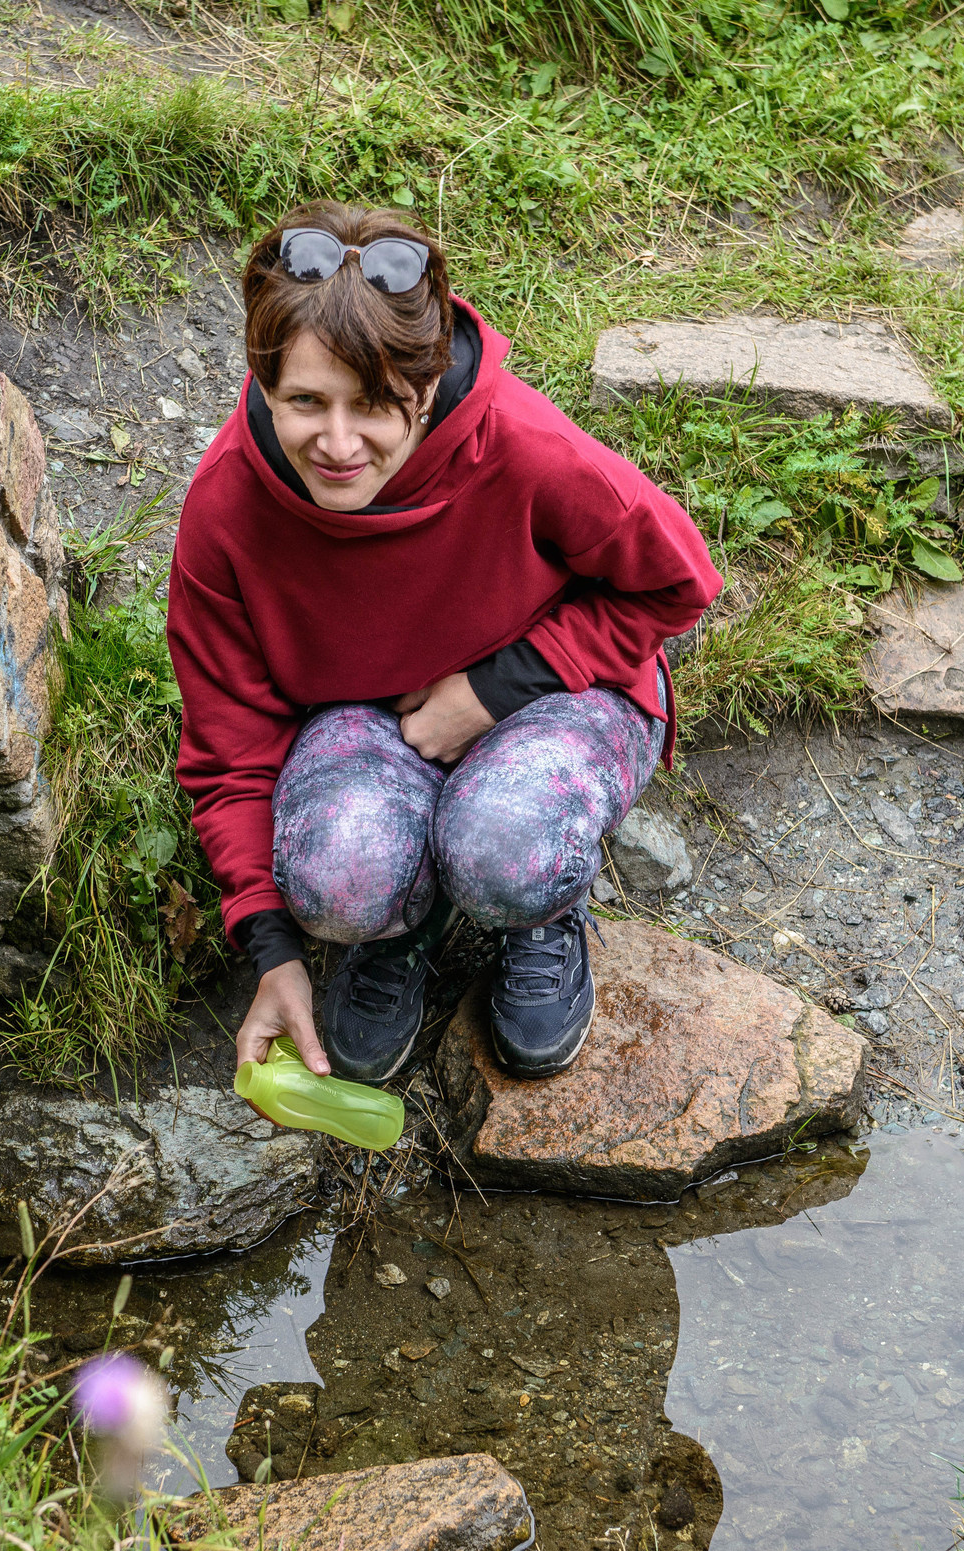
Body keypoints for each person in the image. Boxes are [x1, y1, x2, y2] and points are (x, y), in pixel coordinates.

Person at [167, 201, 720, 1087]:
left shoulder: (524, 445)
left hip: (558, 693)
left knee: (502, 843)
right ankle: (401, 926)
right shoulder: (227, 508)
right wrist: (272, 946)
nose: (337, 443)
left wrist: (500, 688)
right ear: (263, 383)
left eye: (376, 407)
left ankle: (536, 913)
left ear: (423, 391)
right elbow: (229, 746)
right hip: (371, 713)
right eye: (304, 402)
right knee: (336, 878)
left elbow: (679, 578)